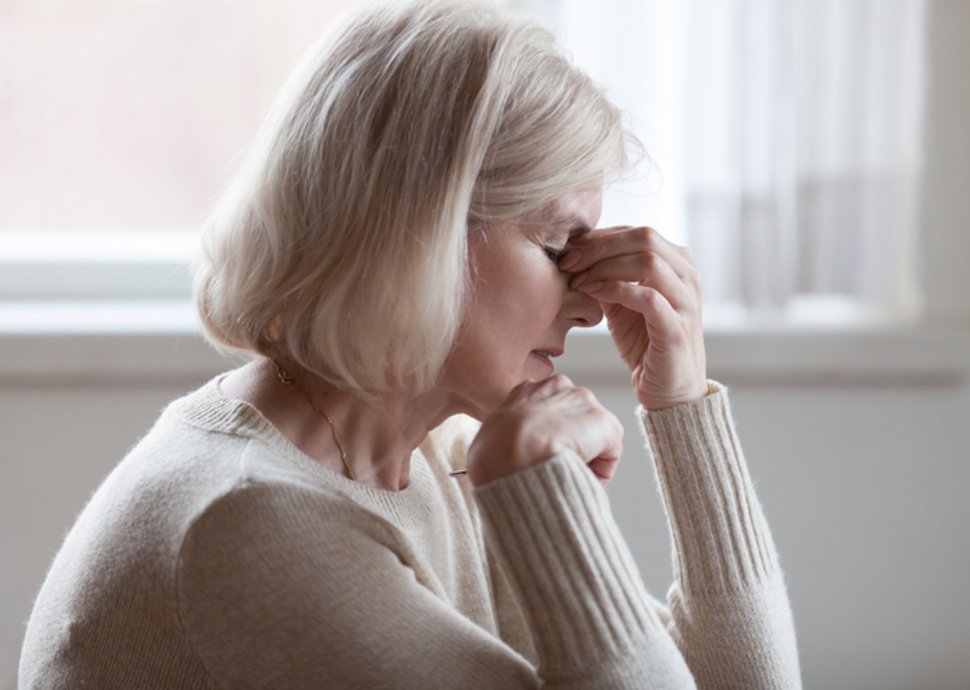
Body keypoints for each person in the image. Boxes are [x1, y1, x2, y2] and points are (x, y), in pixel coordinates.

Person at [19, 1, 801, 687]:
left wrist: (682, 407)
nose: (591, 305)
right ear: (423, 235)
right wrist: (550, 508)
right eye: (560, 246)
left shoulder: (440, 452)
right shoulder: (249, 522)